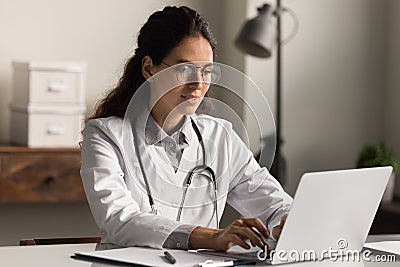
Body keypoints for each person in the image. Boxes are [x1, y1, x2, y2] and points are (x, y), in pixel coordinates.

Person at [80, 5, 292, 251]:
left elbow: (274, 203)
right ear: (149, 68)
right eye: (184, 69)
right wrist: (209, 237)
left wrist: (284, 221)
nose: (198, 84)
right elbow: (119, 220)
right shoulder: (106, 135)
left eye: (207, 71)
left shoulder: (220, 136)